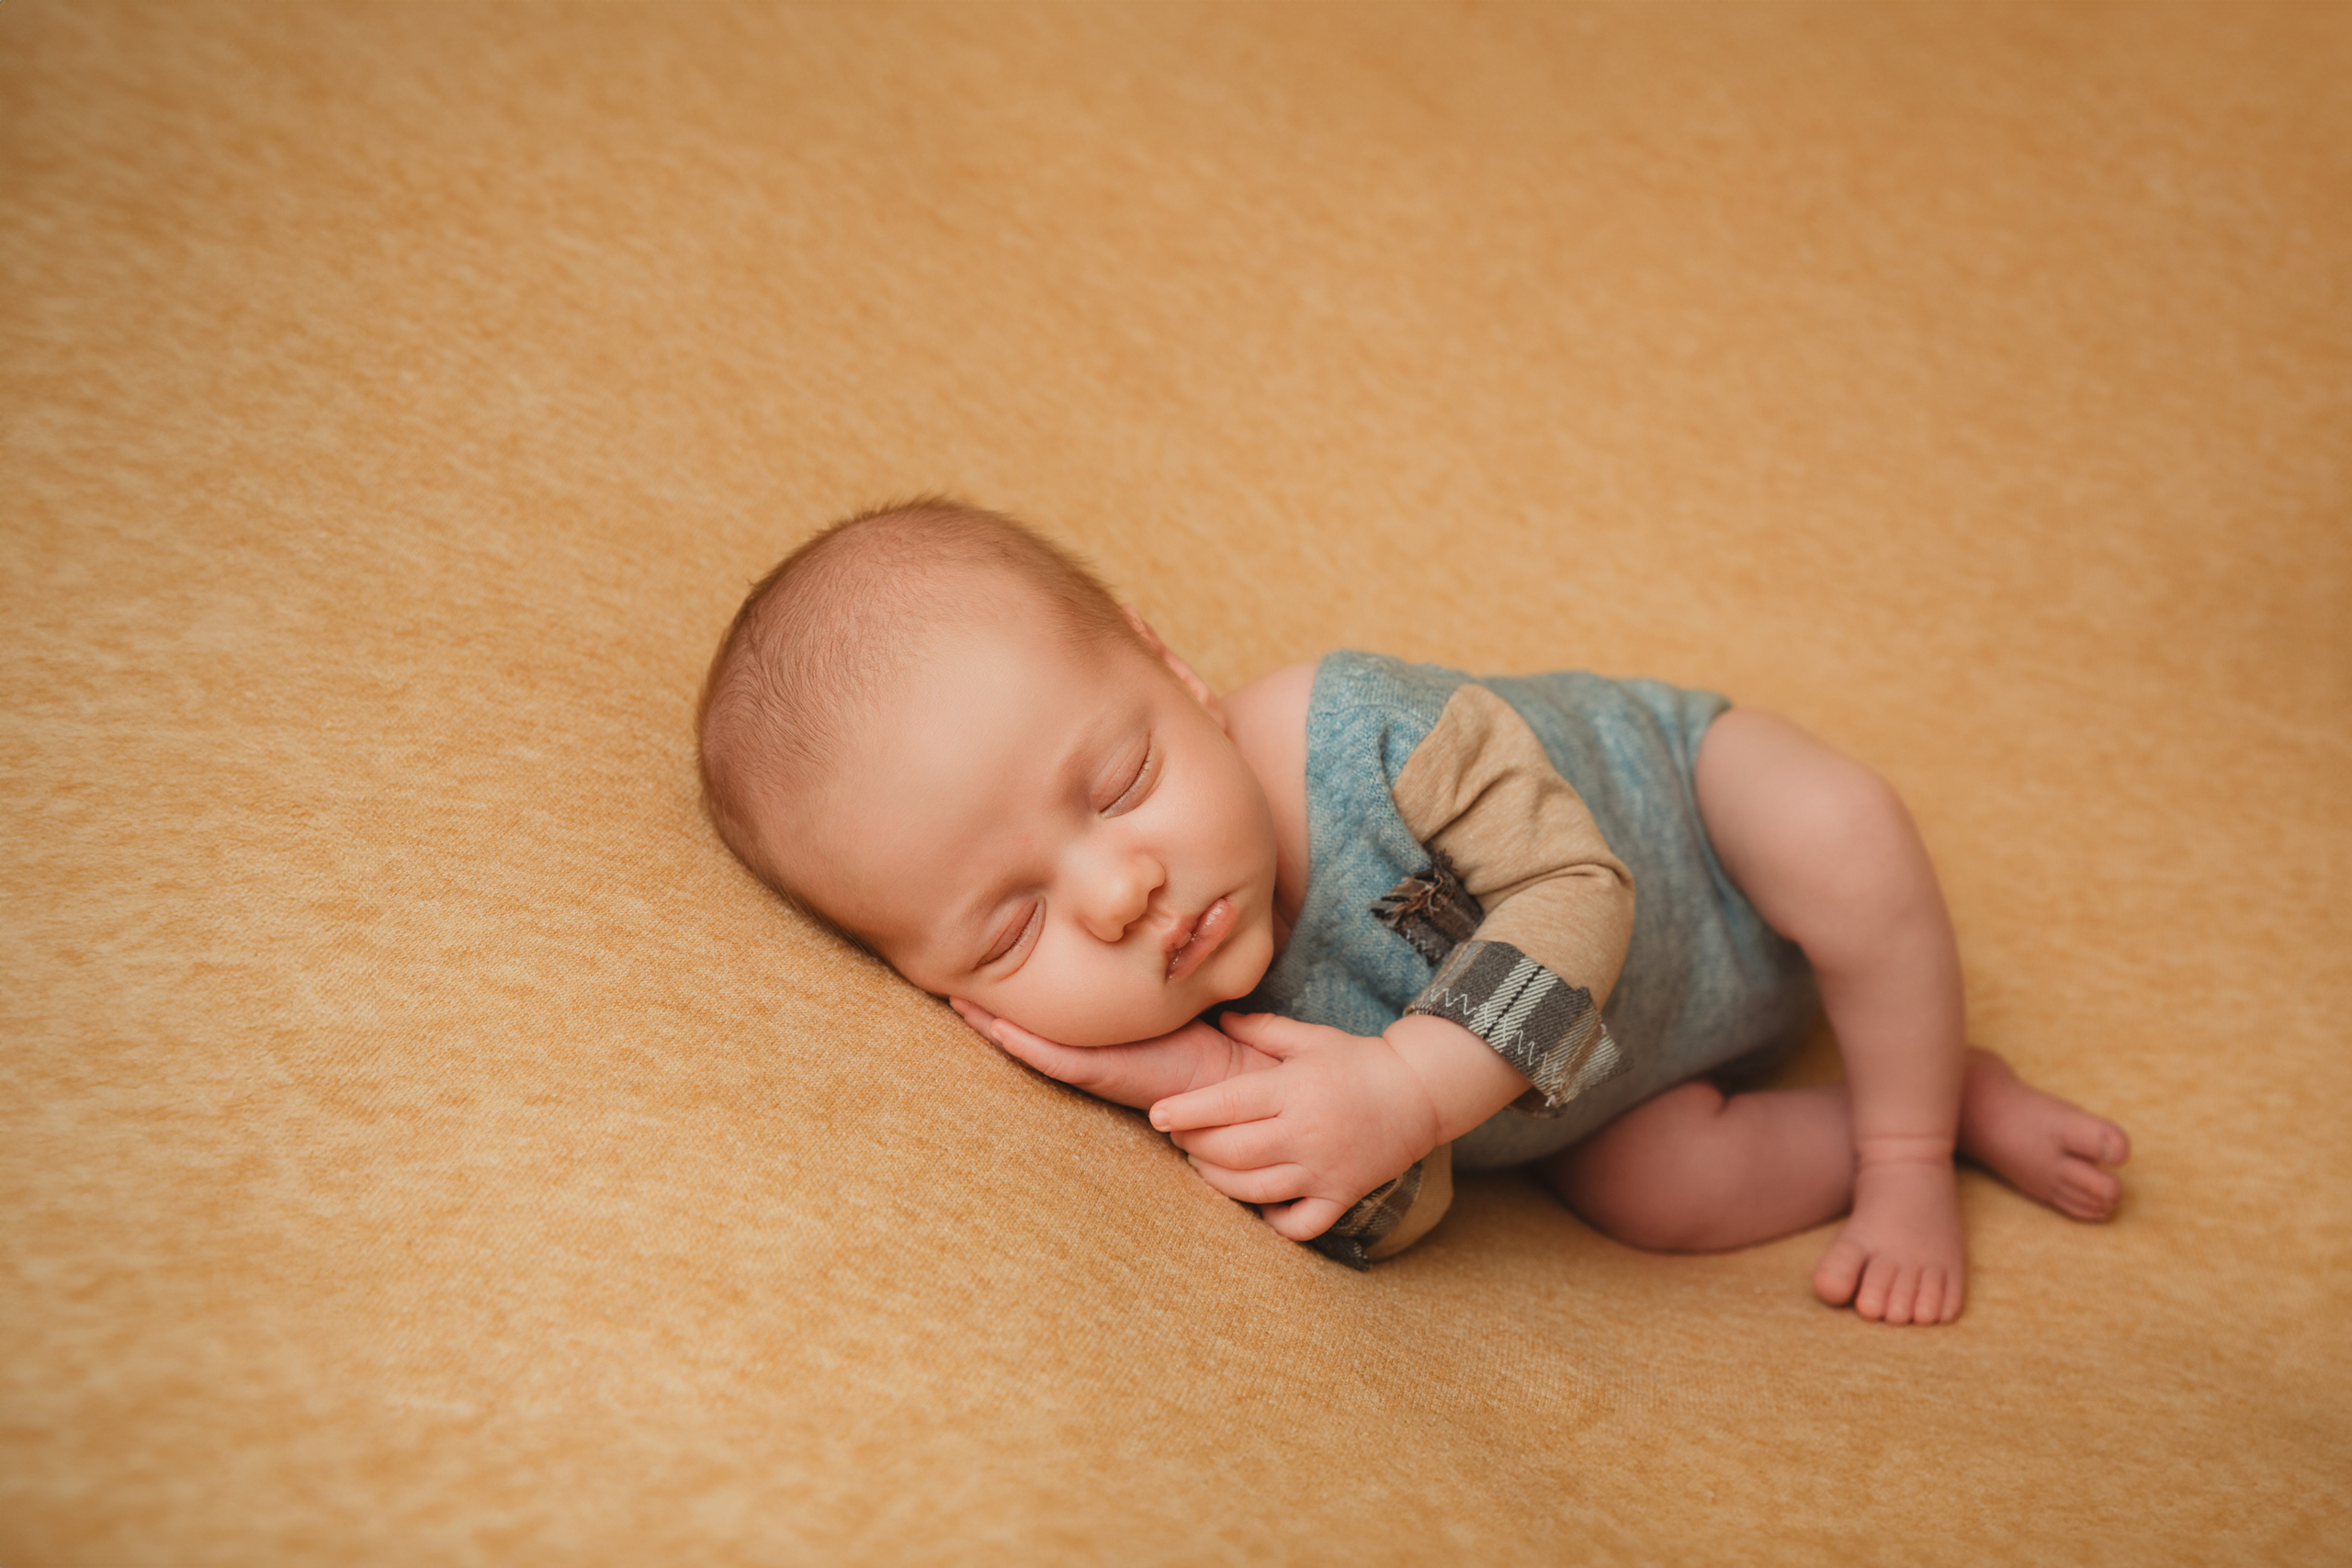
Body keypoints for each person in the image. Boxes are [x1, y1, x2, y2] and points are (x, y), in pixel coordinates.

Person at [696, 499, 2130, 1324]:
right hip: (1621, 1089)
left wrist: (1405, 1086)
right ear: (951, 997)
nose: (1121, 894)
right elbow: (1401, 1207)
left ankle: (1904, 1149)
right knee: (1662, 1197)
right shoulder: (1198, 1036)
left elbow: (1579, 893)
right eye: (1014, 931)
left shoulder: (1361, 733)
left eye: (1123, 781)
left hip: (1705, 831)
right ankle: (1953, 1100)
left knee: (1841, 834)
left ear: (1173, 671)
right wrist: (1199, 1084)